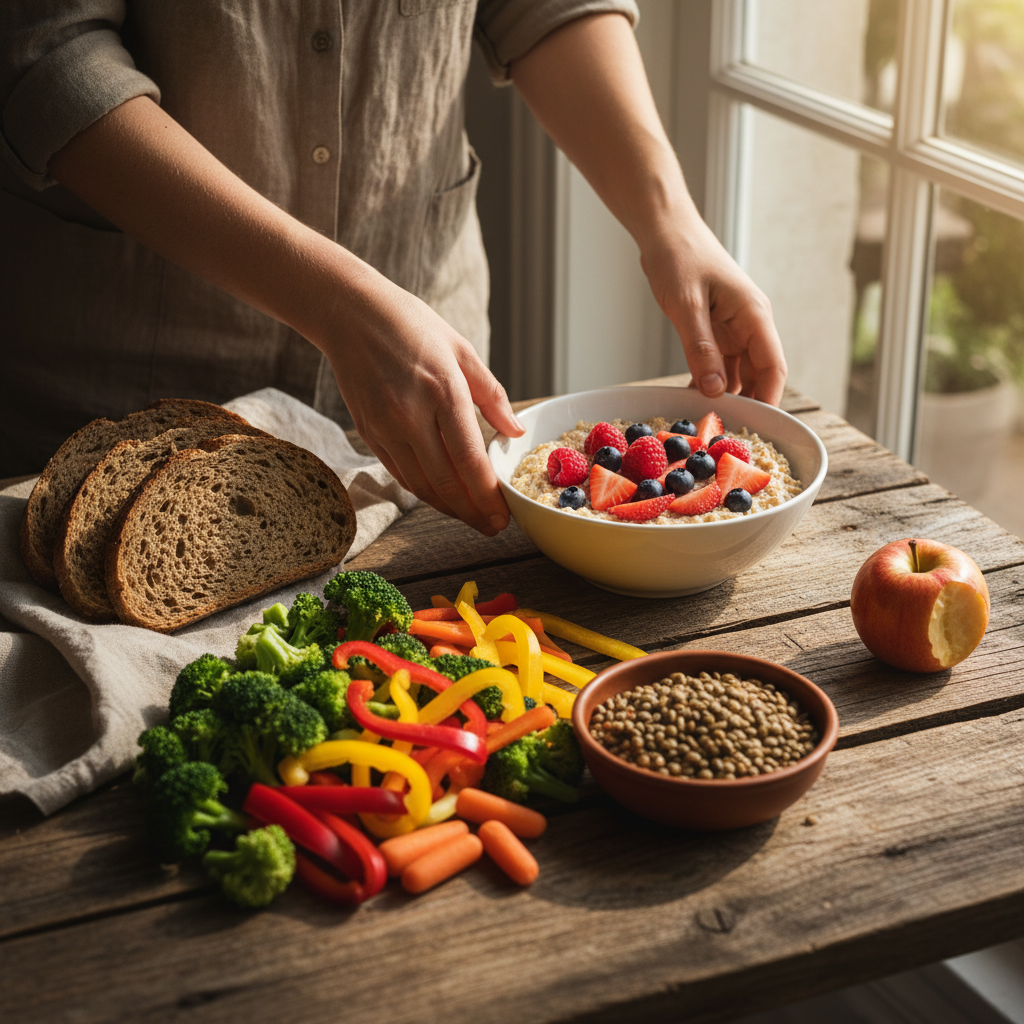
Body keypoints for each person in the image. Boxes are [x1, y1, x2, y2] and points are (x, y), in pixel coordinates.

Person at [0, 2, 786, 534]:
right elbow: (49, 58)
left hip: (429, 410)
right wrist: (337, 303)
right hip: (115, 395)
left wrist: (670, 221)